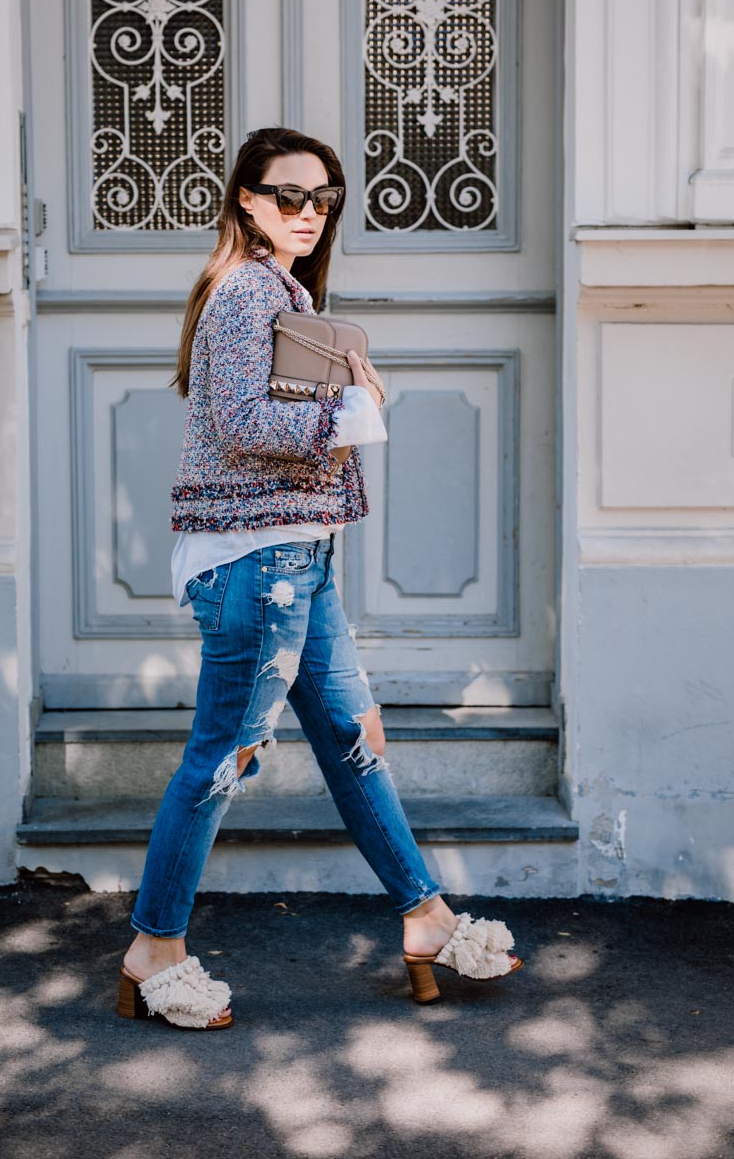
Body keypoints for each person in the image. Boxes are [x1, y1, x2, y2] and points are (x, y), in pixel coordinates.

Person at [117, 127, 523, 1029]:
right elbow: (235, 423)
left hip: (297, 555)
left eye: (323, 198)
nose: (307, 212)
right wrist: (357, 409)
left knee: (353, 740)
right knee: (222, 759)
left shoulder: (281, 289)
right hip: (258, 563)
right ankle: (155, 947)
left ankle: (425, 917)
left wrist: (343, 411)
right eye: (288, 196)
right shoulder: (242, 291)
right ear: (247, 200)